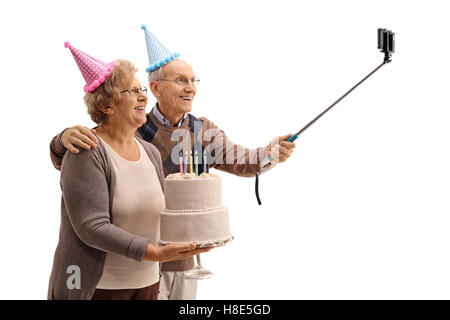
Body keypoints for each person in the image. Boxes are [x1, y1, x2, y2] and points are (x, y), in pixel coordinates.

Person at [49, 28, 296, 300]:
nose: (190, 87)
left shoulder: (201, 131)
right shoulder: (135, 128)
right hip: (122, 263)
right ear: (156, 87)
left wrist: (272, 153)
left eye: (193, 80)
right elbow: (80, 157)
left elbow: (244, 162)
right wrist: (60, 140)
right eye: (180, 80)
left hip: (179, 260)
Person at [48, 42, 210, 300]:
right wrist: (155, 253)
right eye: (132, 91)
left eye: (142, 89)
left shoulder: (150, 152)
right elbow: (92, 227)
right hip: (99, 288)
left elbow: (162, 212)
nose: (144, 96)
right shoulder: (87, 149)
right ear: (106, 106)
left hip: (147, 283)